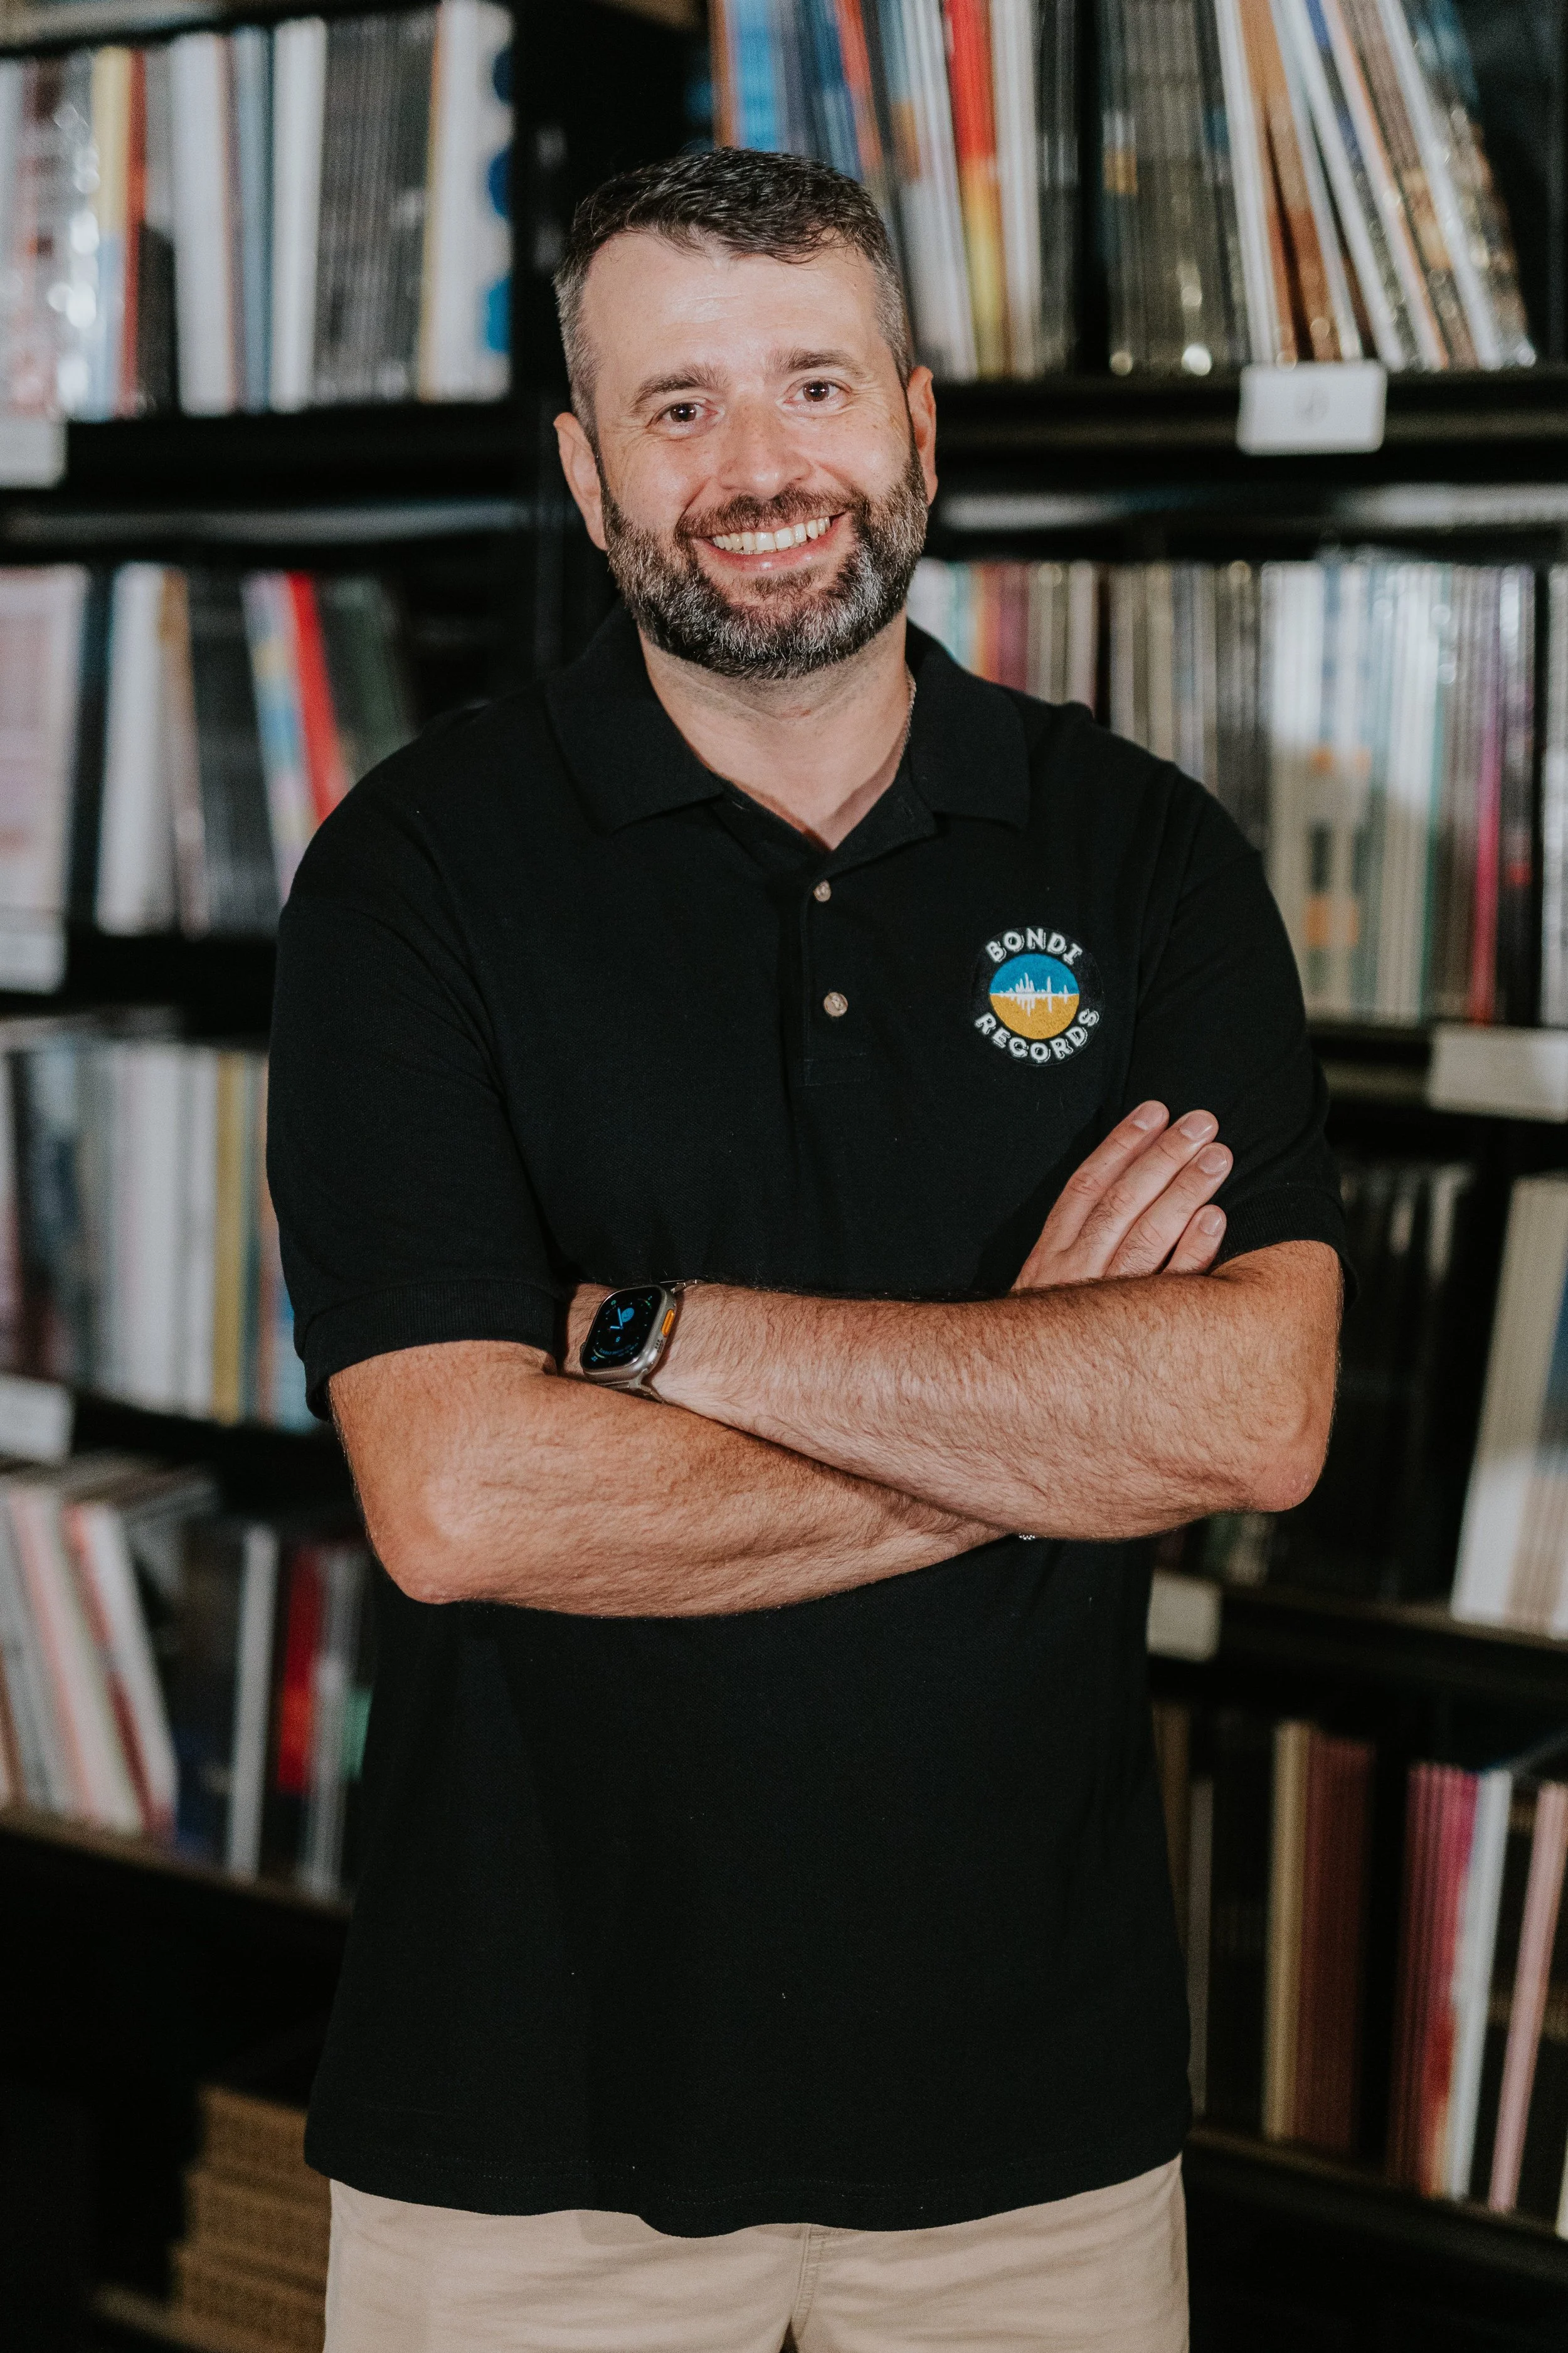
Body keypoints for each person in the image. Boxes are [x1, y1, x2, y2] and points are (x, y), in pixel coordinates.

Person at [267, 147, 1344, 2353]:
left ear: (917, 425)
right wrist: (1039, 1396)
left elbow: (1255, 1405)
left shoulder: (1140, 852)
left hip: (1029, 2130)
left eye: (814, 388)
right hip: (526, 2120)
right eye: (677, 410)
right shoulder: (413, 876)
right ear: (583, 473)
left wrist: (663, 1339)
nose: (759, 469)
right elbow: (463, 1498)